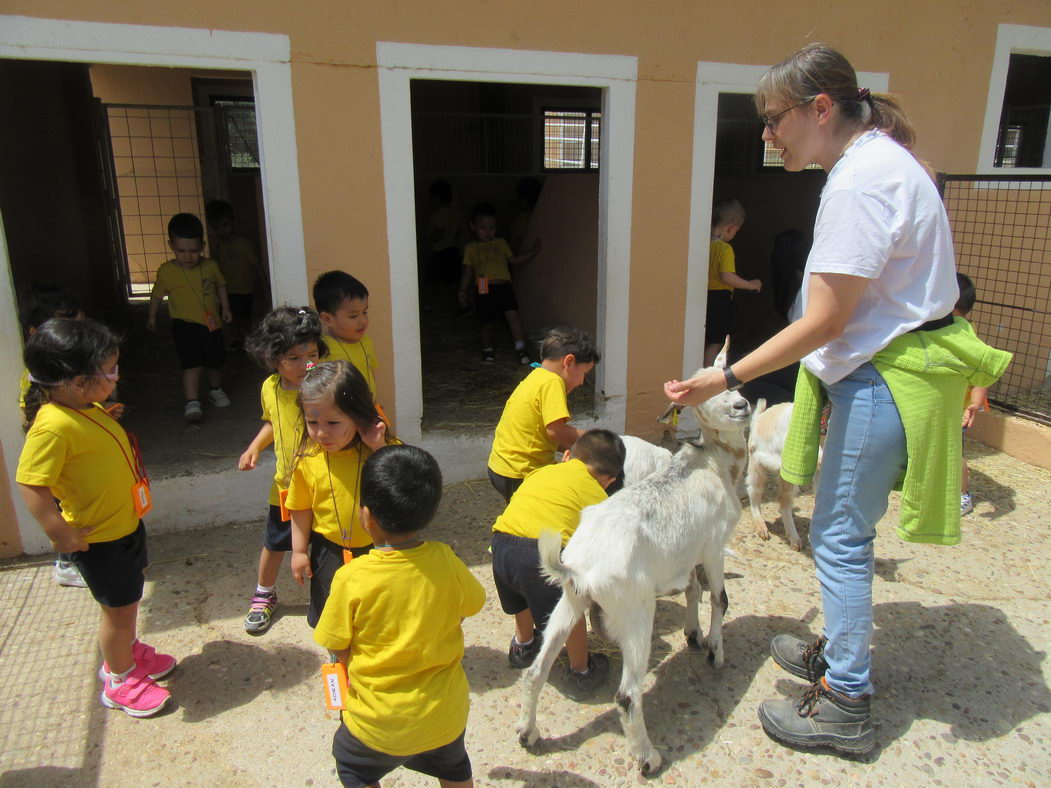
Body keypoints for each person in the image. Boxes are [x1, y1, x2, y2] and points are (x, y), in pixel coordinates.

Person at [665, 43, 1011, 756]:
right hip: (890, 369)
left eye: (772, 119)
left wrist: (721, 379)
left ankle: (845, 701)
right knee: (842, 530)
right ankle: (838, 650)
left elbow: (822, 322)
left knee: (839, 537)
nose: (767, 134)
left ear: (818, 109)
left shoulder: (858, 184)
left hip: (886, 377)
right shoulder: (881, 160)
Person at [16, 318, 175, 717]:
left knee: (130, 598)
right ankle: (120, 678)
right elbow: (31, 484)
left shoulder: (85, 407)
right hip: (99, 540)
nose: (116, 375)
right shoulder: (52, 426)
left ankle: (129, 651)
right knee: (117, 613)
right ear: (72, 380)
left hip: (124, 526)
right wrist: (60, 532)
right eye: (109, 370)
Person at [314, 444, 485, 788]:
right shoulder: (445, 559)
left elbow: (337, 645)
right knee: (453, 766)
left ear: (367, 516)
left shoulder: (352, 577)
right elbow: (471, 604)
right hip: (444, 714)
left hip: (379, 724)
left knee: (351, 764)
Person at [490, 429, 624, 697]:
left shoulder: (541, 472)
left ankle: (523, 645)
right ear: (608, 481)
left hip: (502, 544)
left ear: (566, 456)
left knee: (521, 596)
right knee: (571, 610)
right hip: (543, 554)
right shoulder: (598, 495)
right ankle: (581, 671)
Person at [237, 307, 328, 634]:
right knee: (275, 544)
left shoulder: (323, 385)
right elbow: (272, 423)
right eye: (294, 357)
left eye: (313, 354)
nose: (306, 364)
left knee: (325, 544)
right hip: (286, 488)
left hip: (323, 485)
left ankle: (333, 595)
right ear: (273, 358)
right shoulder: (270, 388)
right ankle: (264, 593)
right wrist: (254, 447)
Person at [285, 360, 395, 628]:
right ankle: (337, 657)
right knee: (331, 614)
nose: (322, 432)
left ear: (358, 415)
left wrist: (379, 446)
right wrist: (299, 551)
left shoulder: (381, 452)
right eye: (312, 422)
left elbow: (401, 484)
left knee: (376, 613)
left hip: (379, 549)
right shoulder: (307, 460)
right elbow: (300, 507)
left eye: (333, 422)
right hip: (328, 550)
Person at [17, 284, 89, 588]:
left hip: (81, 454)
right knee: (65, 508)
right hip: (63, 461)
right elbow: (36, 424)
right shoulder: (39, 378)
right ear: (36, 332)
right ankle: (65, 563)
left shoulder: (73, 366)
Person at [486, 326, 599, 503]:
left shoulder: (536, 376)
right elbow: (556, 431)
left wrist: (575, 449)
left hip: (502, 467)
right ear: (568, 362)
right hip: (522, 471)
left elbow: (546, 435)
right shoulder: (552, 382)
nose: (582, 382)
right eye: (584, 373)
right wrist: (594, 441)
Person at [147, 213, 233, 423]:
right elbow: (157, 294)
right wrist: (151, 316)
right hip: (183, 326)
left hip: (211, 324)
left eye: (194, 251)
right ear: (171, 245)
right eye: (181, 250)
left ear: (202, 245)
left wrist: (226, 307)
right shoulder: (167, 271)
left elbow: (220, 285)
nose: (188, 256)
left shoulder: (210, 266)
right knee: (191, 363)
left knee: (215, 360)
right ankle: (192, 401)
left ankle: (215, 389)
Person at [457, 201, 541, 365]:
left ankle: (520, 347)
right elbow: (467, 271)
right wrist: (462, 290)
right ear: (473, 227)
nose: (488, 232)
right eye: (483, 228)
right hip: (483, 289)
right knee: (487, 322)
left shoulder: (501, 243)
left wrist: (533, 251)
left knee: (513, 316)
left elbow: (514, 260)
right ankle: (487, 349)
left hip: (504, 287)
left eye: (492, 227)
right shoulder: (471, 248)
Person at [704, 197, 762, 367]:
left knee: (703, 337)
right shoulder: (724, 248)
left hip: (702, 297)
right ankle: (707, 373)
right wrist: (750, 284)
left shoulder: (700, 244)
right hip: (719, 299)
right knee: (716, 342)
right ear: (731, 228)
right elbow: (727, 276)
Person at [313, 271, 383, 406]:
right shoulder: (322, 350)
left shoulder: (366, 341)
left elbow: (371, 374)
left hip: (368, 409)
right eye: (353, 316)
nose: (363, 321)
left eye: (365, 312)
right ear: (327, 319)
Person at [953, 273, 990, 517]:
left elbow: (982, 372)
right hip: (939, 407)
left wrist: (975, 404)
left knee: (954, 456)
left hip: (958, 412)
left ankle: (962, 495)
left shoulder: (965, 336)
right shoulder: (942, 328)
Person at [205, 199, 263, 351]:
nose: (222, 230)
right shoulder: (217, 246)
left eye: (225, 225)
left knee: (244, 318)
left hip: (244, 289)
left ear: (233, 223)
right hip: (226, 290)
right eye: (217, 227)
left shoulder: (243, 244)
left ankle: (250, 342)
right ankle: (237, 340)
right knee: (229, 317)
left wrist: (263, 283)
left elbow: (255, 264)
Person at [422, 179, 465, 312]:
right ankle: (461, 305)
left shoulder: (439, 214)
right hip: (453, 250)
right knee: (452, 282)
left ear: (435, 199)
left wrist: (428, 242)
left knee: (431, 281)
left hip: (439, 252)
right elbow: (458, 232)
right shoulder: (456, 214)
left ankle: (427, 306)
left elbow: (439, 231)